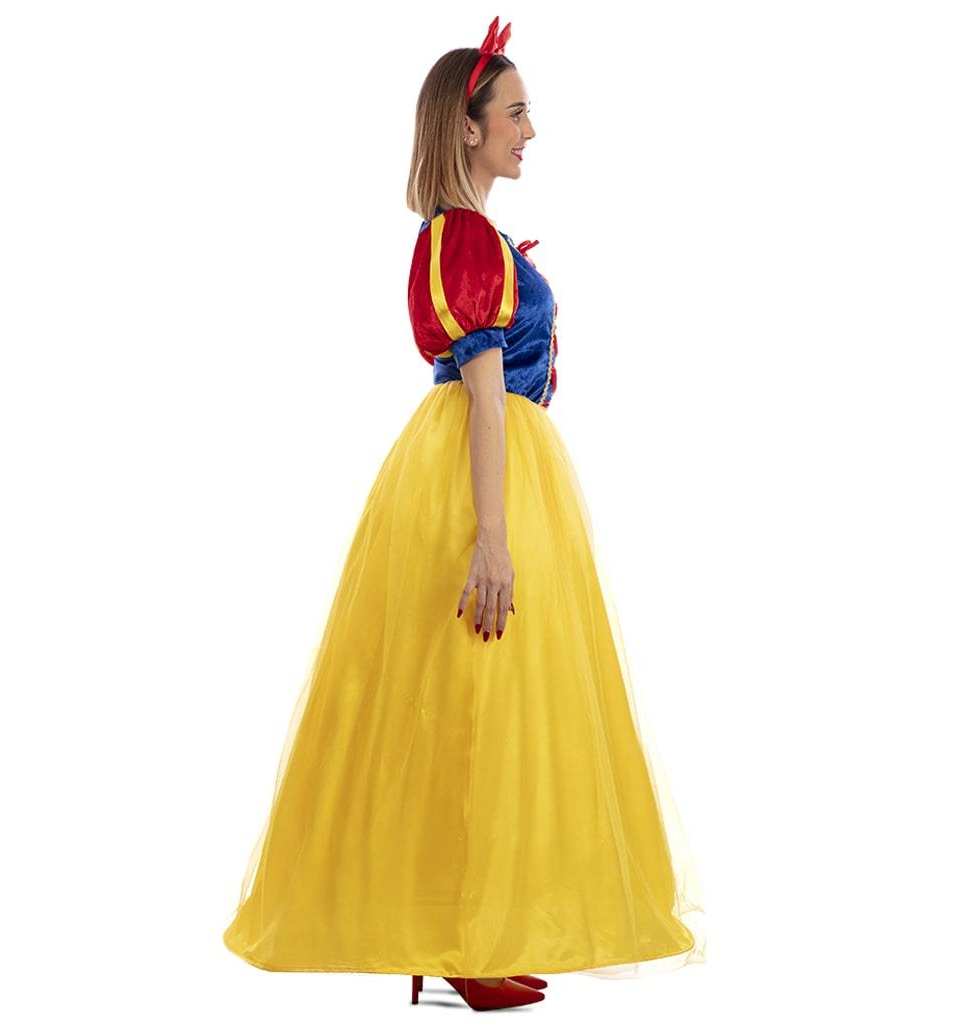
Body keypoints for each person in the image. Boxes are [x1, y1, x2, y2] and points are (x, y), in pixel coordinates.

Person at [221, 15, 706, 1012]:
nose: (532, 131)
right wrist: (491, 536)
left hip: (490, 466)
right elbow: (486, 397)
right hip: (480, 477)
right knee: (474, 704)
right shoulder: (464, 238)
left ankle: (460, 932)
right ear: (468, 127)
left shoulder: (470, 235)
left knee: (474, 704)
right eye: (516, 113)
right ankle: (453, 935)